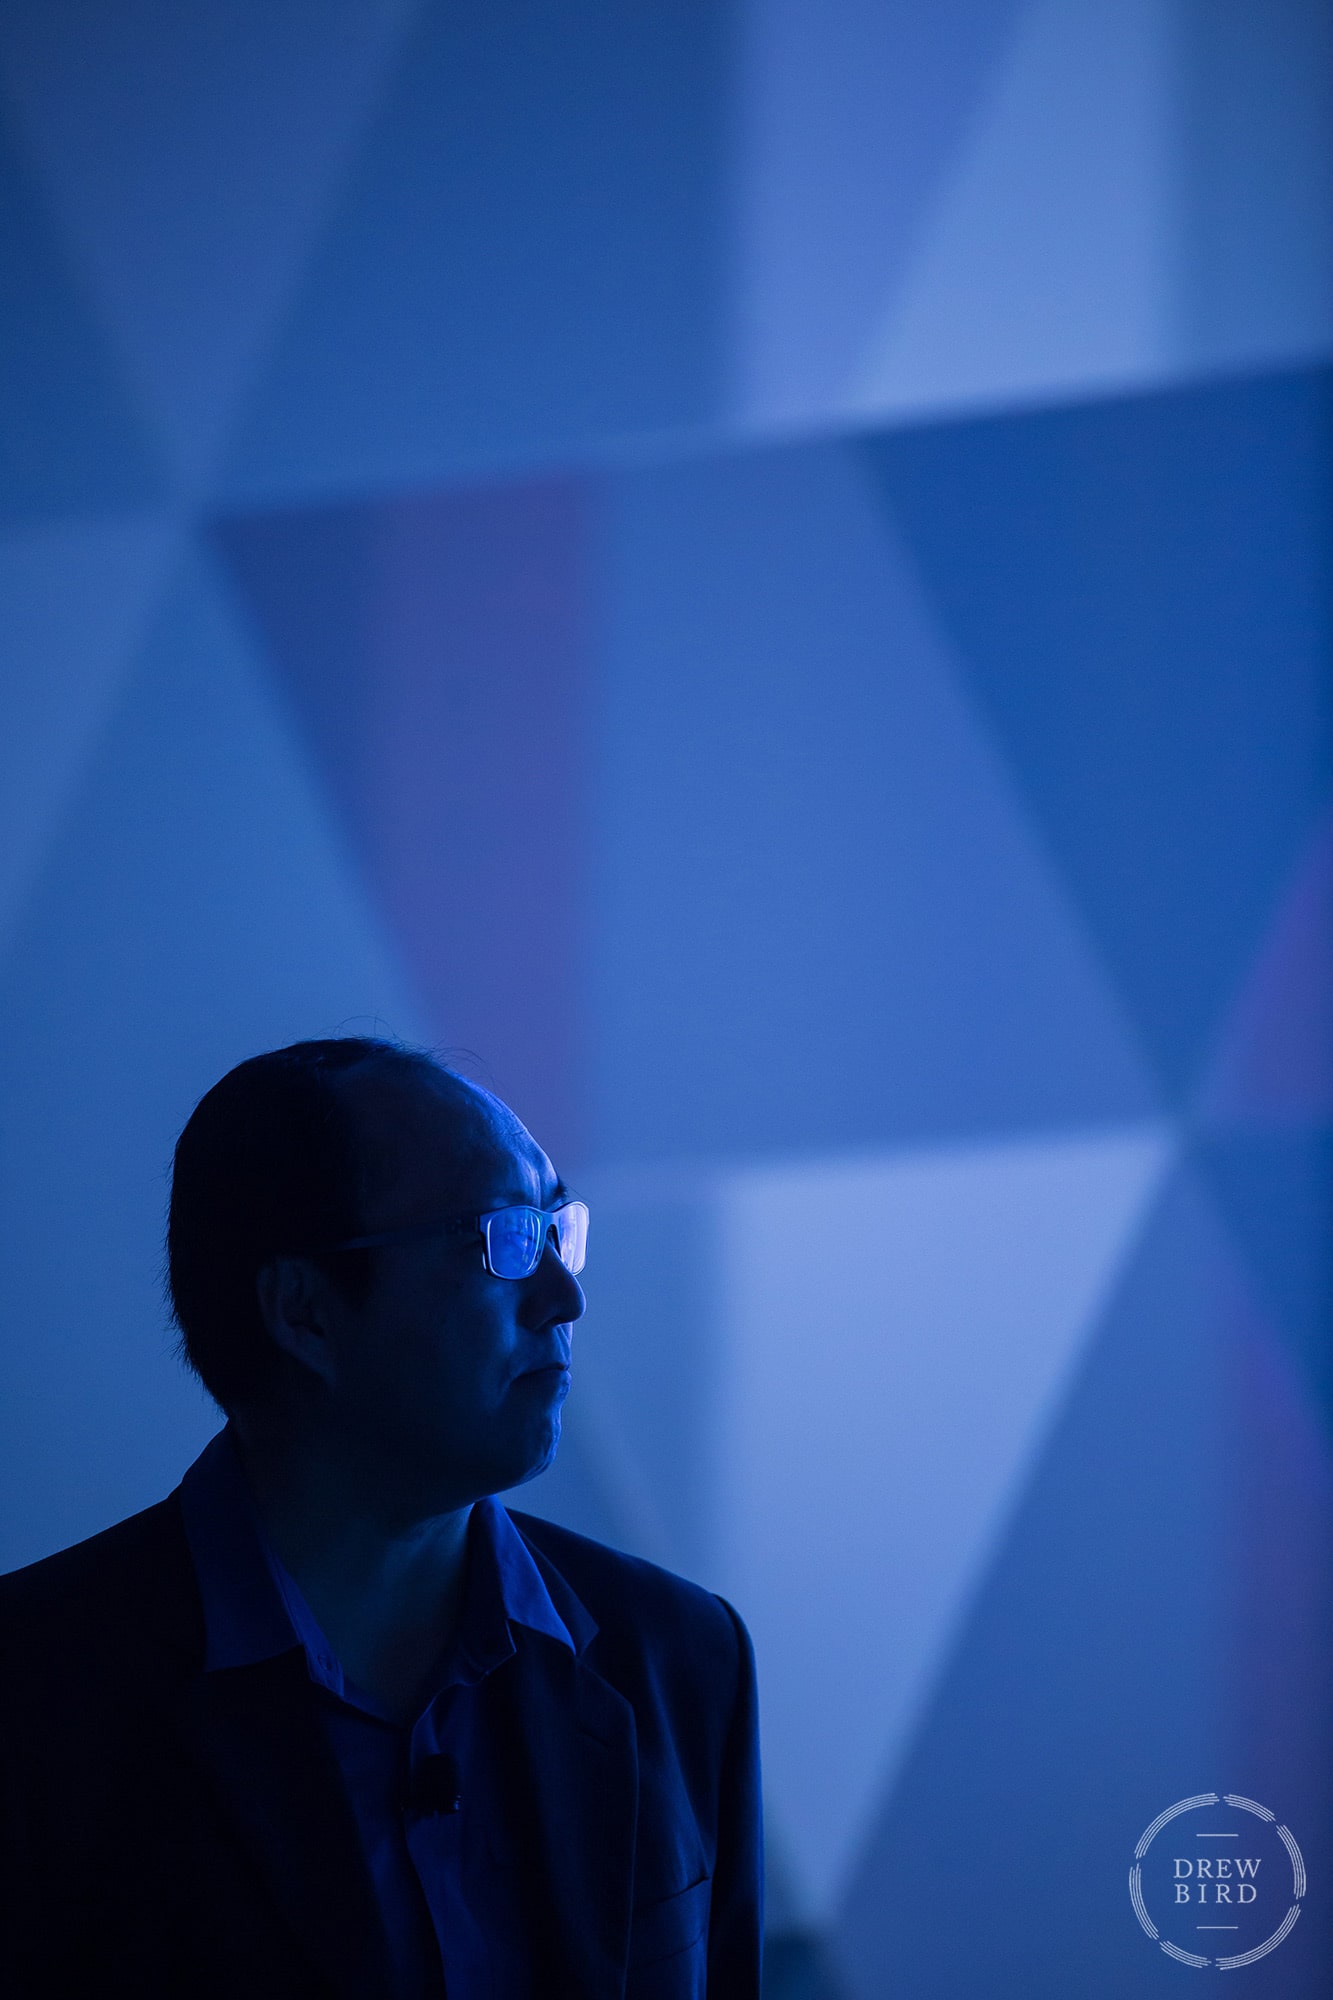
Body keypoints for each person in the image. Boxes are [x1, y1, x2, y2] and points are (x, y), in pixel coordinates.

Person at [0, 1038, 762, 1997]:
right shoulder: (35, 1701)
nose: (563, 1296)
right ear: (304, 1313)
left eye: (553, 1229)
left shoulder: (679, 1658)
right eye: (498, 1239)